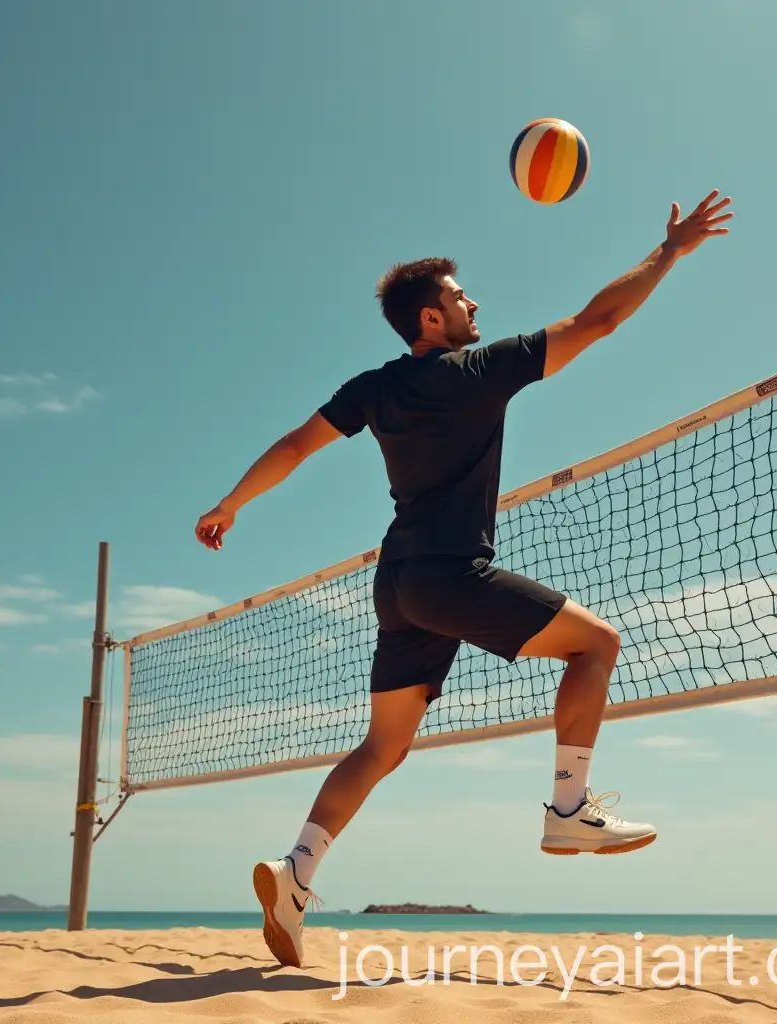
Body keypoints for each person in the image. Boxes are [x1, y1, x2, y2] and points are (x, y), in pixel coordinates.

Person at [195, 189, 733, 968]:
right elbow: (598, 322)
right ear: (432, 320)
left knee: (381, 748)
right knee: (597, 646)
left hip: (396, 583)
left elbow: (295, 444)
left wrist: (229, 504)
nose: (472, 301)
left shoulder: (373, 388)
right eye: (458, 295)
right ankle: (569, 809)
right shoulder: (479, 368)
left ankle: (296, 875)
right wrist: (670, 250)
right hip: (449, 574)